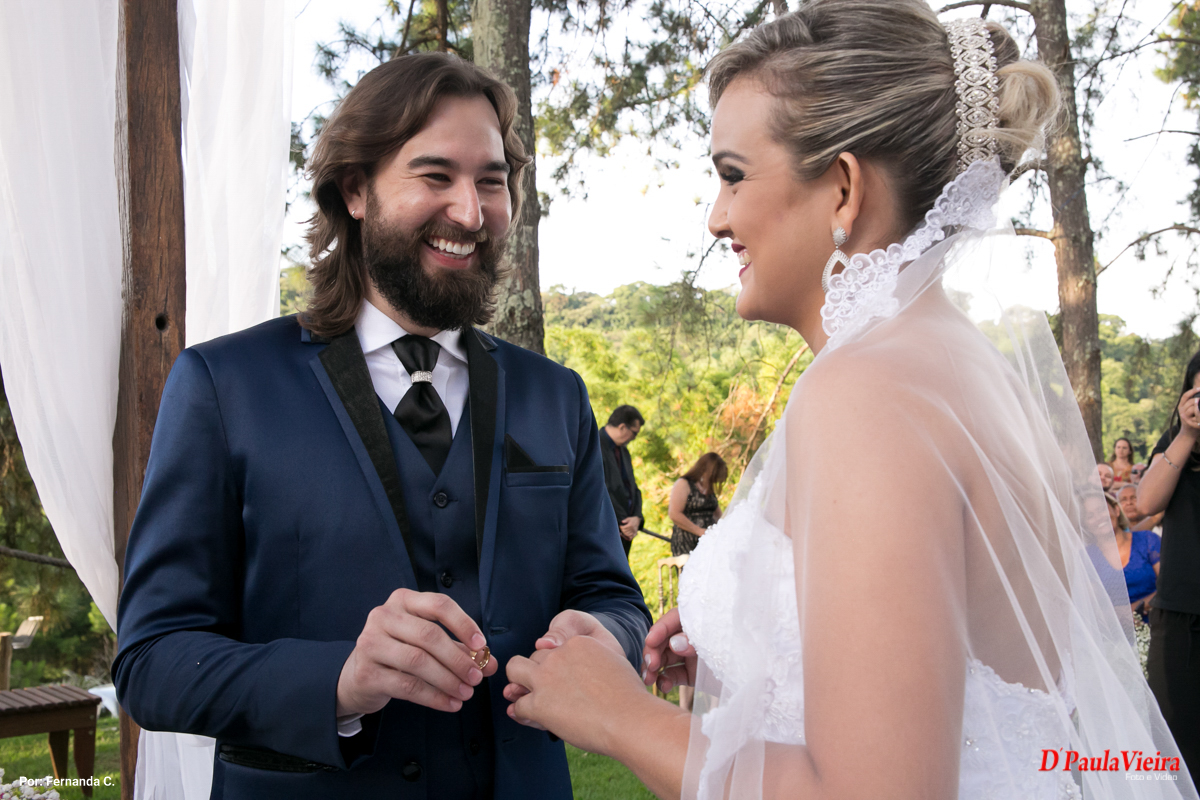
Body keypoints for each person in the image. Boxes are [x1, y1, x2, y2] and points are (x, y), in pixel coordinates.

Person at [500, 5, 1196, 799]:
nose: (716, 216)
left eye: (732, 174)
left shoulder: (865, 389)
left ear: (842, 186)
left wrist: (618, 714)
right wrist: (754, 650)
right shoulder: (960, 363)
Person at [113, 53, 650, 798]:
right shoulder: (222, 386)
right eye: (436, 176)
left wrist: (610, 637)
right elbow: (151, 662)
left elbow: (613, 596)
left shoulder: (555, 396)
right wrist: (339, 678)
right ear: (356, 189)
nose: (470, 211)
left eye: (491, 181)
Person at [1140, 348, 1200, 777]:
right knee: (1177, 745)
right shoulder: (1177, 441)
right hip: (1181, 611)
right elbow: (1144, 504)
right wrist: (1187, 433)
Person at [1090, 492, 1161, 620]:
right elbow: (1091, 603)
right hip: (1112, 629)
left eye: (1101, 510)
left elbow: (1170, 586)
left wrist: (1134, 609)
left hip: (1157, 623)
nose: (1098, 517)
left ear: (1116, 510)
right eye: (1090, 516)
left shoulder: (1147, 540)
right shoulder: (1087, 557)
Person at [600, 405, 645, 557]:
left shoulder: (623, 452)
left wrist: (637, 518)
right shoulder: (594, 446)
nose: (634, 438)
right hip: (607, 528)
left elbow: (633, 488)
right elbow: (600, 488)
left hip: (626, 530)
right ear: (622, 427)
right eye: (634, 433)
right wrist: (623, 522)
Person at [667, 453, 728, 558]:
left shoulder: (709, 489)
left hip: (708, 543)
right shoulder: (684, 484)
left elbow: (718, 515)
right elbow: (674, 514)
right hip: (687, 542)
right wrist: (698, 531)